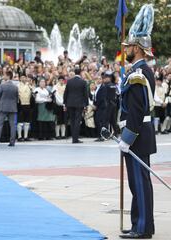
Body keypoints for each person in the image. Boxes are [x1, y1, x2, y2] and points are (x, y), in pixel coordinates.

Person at [118, 4, 156, 239]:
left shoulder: (138, 75)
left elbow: (137, 111)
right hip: (140, 134)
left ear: (138, 49)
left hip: (138, 135)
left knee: (140, 185)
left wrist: (127, 138)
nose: (127, 49)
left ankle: (142, 228)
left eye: (130, 46)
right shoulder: (137, 72)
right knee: (137, 183)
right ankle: (138, 224)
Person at [0, 70, 18, 147]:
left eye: (5, 75)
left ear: (8, 76)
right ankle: (12, 141)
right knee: (12, 125)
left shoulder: (2, 86)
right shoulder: (15, 87)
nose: (4, 76)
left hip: (2, 107)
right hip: (12, 107)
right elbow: (17, 98)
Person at [63, 65, 88, 143]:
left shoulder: (69, 81)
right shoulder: (83, 82)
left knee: (72, 121)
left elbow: (65, 93)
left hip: (70, 103)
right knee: (77, 121)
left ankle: (74, 138)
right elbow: (85, 94)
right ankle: (75, 138)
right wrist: (86, 105)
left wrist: (65, 103)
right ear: (80, 73)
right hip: (79, 104)